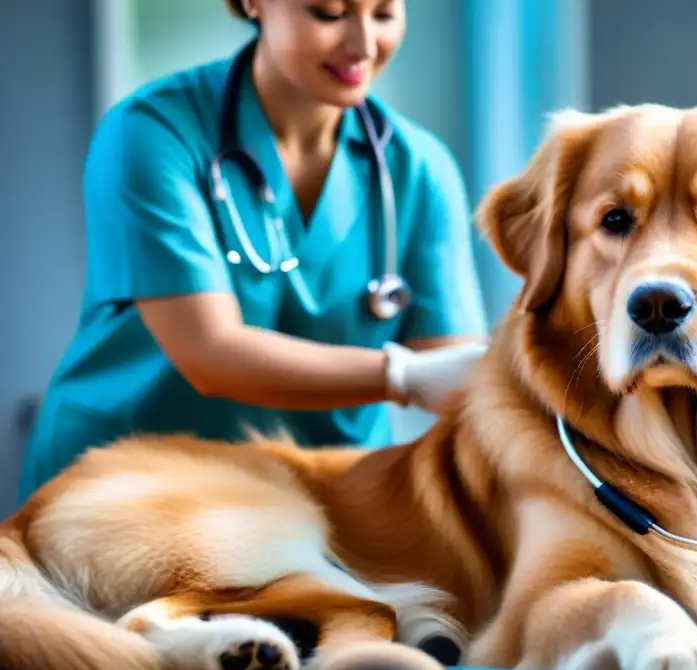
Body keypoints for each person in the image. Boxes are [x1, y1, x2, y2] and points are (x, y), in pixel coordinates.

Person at [17, 0, 490, 503]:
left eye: (384, 14)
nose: (364, 46)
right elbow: (209, 352)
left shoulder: (419, 168)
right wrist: (403, 376)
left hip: (320, 501)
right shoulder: (153, 133)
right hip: (128, 485)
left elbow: (457, 374)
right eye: (329, 13)